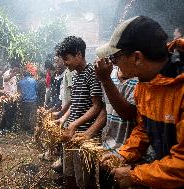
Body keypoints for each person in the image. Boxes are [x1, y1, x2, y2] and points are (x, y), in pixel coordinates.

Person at [96, 16, 184, 189]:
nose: (114, 65)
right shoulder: (145, 84)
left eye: (115, 58)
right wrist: (123, 156)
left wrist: (135, 175)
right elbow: (143, 128)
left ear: (136, 57)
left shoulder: (180, 88)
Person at [55, 36, 103, 189]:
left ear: (79, 55)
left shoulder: (93, 73)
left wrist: (75, 124)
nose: (65, 62)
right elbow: (74, 103)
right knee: (69, 173)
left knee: (83, 179)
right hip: (71, 133)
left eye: (67, 58)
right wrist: (64, 119)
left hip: (84, 135)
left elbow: (97, 106)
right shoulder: (75, 76)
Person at [17, 67, 38, 134]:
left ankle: (26, 128)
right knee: (32, 116)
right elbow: (36, 89)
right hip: (33, 101)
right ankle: (32, 130)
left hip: (25, 101)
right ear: (29, 74)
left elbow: (19, 91)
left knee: (26, 115)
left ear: (23, 75)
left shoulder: (20, 82)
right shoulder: (34, 81)